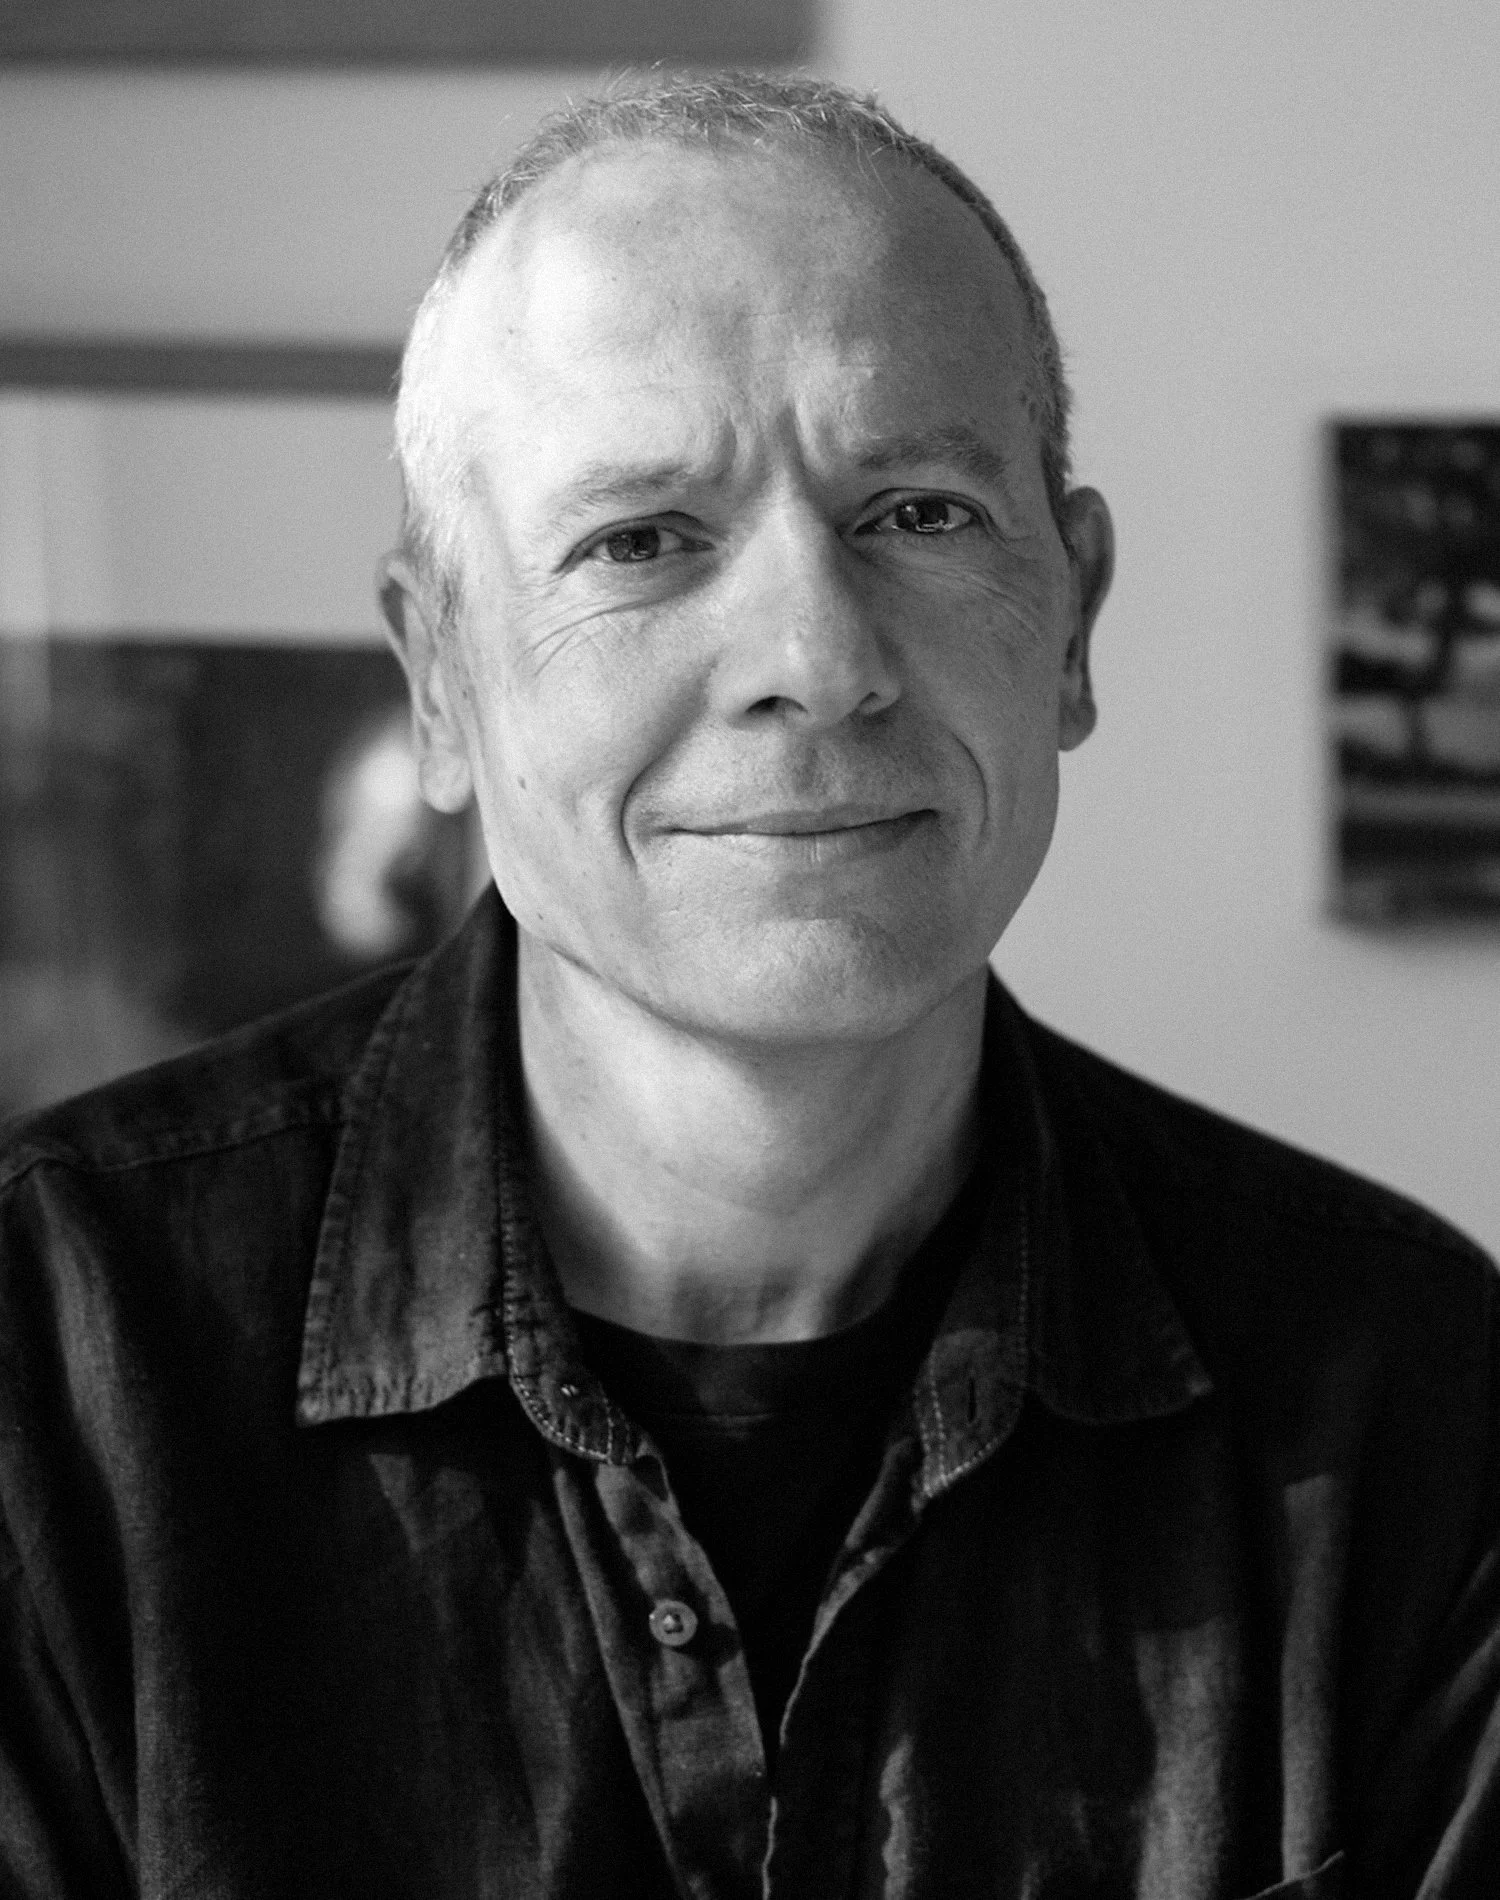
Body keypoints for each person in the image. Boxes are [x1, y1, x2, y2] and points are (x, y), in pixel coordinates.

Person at [1, 72, 1496, 1900]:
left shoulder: (1408, 1395)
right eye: (640, 539)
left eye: (921, 512)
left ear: (1075, 626)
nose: (814, 655)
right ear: (442, 672)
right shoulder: (53, 1365)